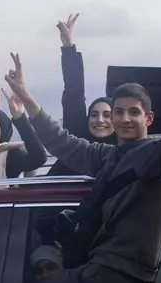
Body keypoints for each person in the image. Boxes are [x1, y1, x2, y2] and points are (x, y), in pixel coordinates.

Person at [2, 35, 161, 283]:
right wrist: (25, 95)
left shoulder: (158, 155)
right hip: (99, 273)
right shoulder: (107, 156)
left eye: (134, 112)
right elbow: (62, 142)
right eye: (119, 112)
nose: (125, 119)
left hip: (115, 279)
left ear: (149, 119)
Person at [48, 13, 117, 177]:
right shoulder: (77, 144)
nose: (100, 120)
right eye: (94, 115)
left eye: (107, 115)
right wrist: (68, 47)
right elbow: (74, 94)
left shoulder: (125, 152)